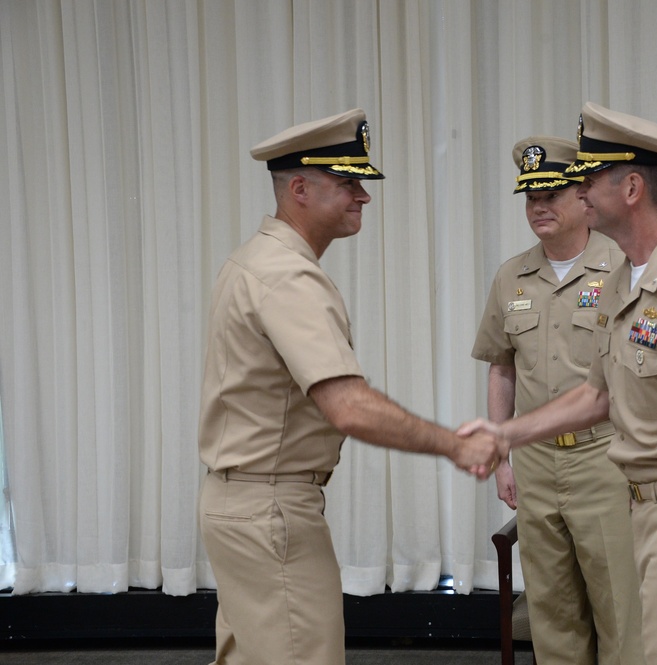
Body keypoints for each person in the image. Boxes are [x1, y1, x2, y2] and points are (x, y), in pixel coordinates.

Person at [197, 108, 506, 665]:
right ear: (299, 189)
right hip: (270, 509)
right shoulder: (287, 276)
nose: (363, 195)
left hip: (238, 503)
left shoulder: (251, 261)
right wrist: (455, 444)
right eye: (347, 183)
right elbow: (349, 407)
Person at [462, 102, 657, 665]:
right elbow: (597, 396)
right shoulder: (629, 279)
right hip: (643, 508)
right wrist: (506, 436)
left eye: (589, 180)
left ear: (630, 187)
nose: (580, 193)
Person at [471, 137, 645, 665]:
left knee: (620, 606)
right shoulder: (511, 276)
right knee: (552, 611)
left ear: (583, 196)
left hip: (605, 459)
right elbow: (502, 368)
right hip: (537, 464)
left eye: (551, 194)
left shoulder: (623, 267)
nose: (539, 207)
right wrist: (502, 456)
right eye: (530, 197)